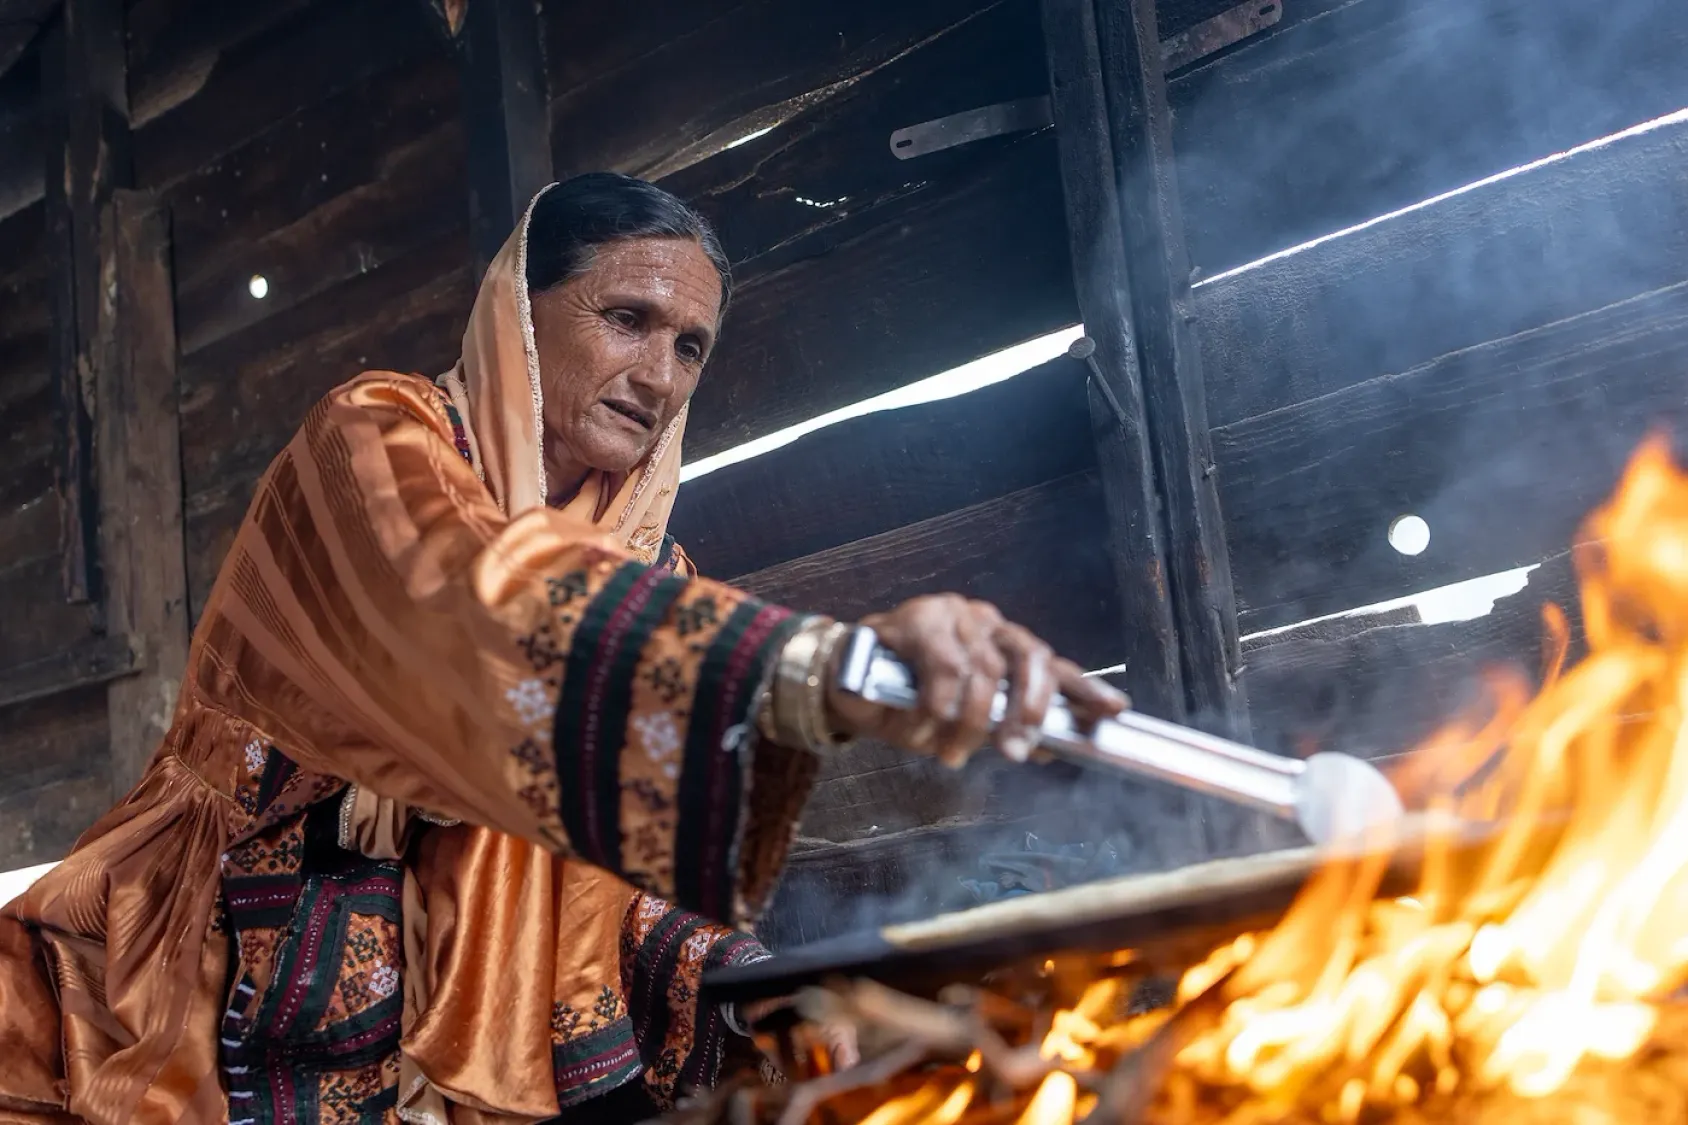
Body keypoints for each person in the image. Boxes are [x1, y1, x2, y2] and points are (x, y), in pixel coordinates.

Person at [0, 174, 1124, 1124]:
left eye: (690, 346)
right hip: (175, 1001)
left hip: (403, 1074)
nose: (660, 375)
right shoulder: (373, 437)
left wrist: (744, 982)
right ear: (518, 313)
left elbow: (603, 884)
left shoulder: (651, 581)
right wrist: (821, 665)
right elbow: (471, 610)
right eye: (625, 318)